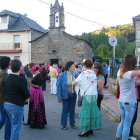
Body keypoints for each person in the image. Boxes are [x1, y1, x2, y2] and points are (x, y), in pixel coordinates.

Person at [73, 59, 101, 137]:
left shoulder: (83, 74)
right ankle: (90, 128)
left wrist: (73, 82)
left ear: (84, 66)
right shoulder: (94, 73)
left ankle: (85, 130)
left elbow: (75, 82)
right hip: (94, 95)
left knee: (85, 112)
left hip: (87, 95)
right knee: (92, 111)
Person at [115, 55, 140, 140]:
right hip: (130, 101)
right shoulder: (131, 73)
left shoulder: (120, 71)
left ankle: (117, 138)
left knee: (122, 122)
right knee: (127, 124)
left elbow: (117, 82)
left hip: (121, 100)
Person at [4, 59, 30, 140]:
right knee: (16, 128)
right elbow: (26, 94)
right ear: (20, 67)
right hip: (16, 104)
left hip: (7, 103)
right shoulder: (21, 79)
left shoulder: (7, 77)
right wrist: (25, 97)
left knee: (13, 125)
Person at [57, 61, 77, 130]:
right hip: (65, 95)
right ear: (69, 67)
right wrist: (59, 97)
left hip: (73, 95)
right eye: (73, 66)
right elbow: (58, 86)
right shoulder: (62, 75)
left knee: (72, 110)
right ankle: (63, 124)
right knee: (65, 110)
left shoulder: (75, 75)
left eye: (74, 66)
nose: (74, 67)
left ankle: (72, 123)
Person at [27, 63, 47, 128]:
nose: (28, 69)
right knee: (33, 107)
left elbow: (39, 86)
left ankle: (39, 123)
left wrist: (31, 84)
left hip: (37, 94)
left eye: (29, 67)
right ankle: (32, 122)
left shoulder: (39, 75)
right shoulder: (33, 74)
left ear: (32, 68)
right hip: (33, 93)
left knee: (38, 107)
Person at [0, 56, 11, 140]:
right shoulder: (4, 74)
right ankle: (7, 138)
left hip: (2, 99)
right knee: (7, 119)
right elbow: (1, 85)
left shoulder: (2, 72)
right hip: (3, 100)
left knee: (3, 118)